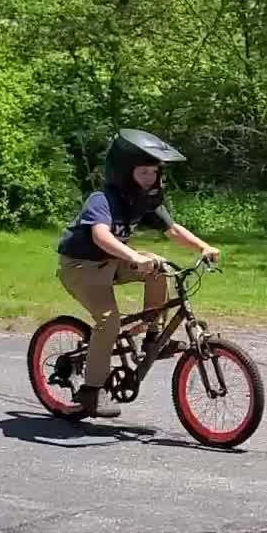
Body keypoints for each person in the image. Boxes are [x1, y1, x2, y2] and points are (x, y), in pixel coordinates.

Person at [55, 129, 220, 418]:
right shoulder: (102, 199)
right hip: (82, 266)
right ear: (124, 173)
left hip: (113, 261)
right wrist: (132, 256)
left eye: (154, 172)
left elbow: (172, 230)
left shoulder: (143, 201)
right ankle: (91, 392)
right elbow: (100, 235)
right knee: (109, 321)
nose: (150, 179)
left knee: (160, 267)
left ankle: (153, 337)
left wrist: (203, 247)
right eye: (143, 172)